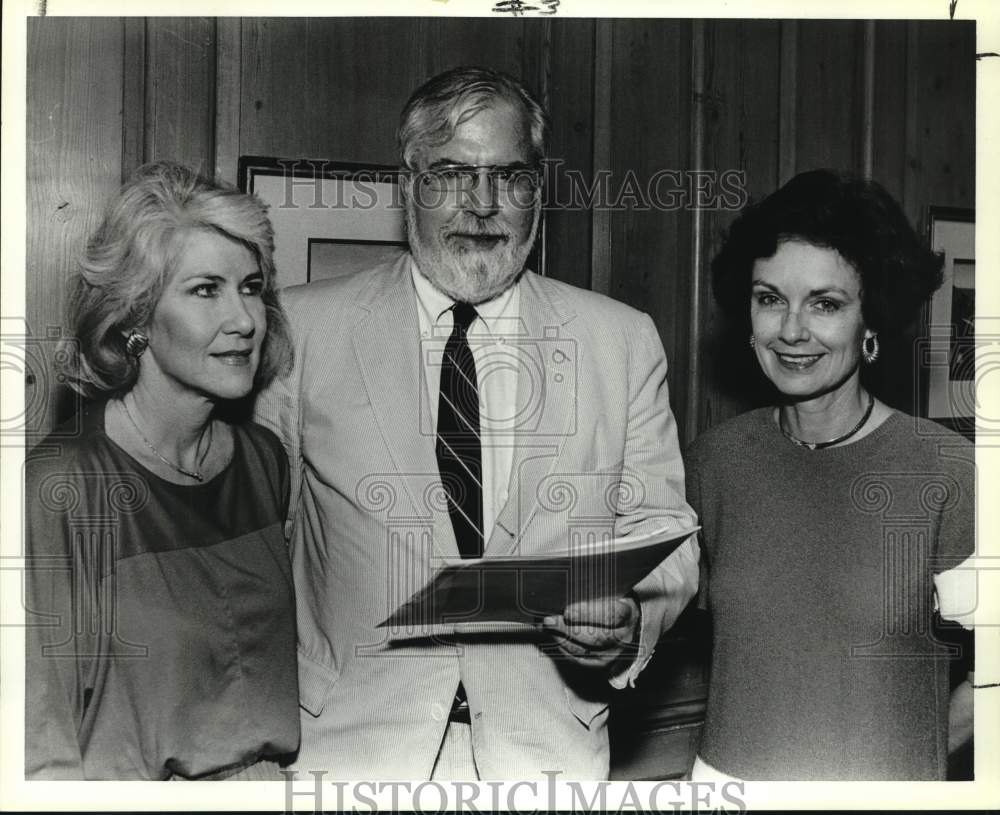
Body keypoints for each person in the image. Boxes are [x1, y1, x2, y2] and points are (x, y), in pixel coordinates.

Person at [254, 66, 699, 779]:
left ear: (538, 190)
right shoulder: (301, 330)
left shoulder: (620, 340)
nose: (483, 204)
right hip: (347, 753)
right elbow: (252, 546)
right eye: (454, 173)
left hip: (546, 756)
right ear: (409, 185)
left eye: (510, 177)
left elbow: (661, 534)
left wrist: (631, 615)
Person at [686, 169, 976, 780]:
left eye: (825, 304)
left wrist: (915, 759)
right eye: (770, 299)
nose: (792, 331)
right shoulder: (714, 461)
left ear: (871, 321)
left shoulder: (946, 469)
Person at [25, 162, 300, 779]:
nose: (245, 321)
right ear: (136, 318)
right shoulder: (61, 486)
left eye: (251, 287)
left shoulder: (262, 461)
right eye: (206, 290)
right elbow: (35, 748)